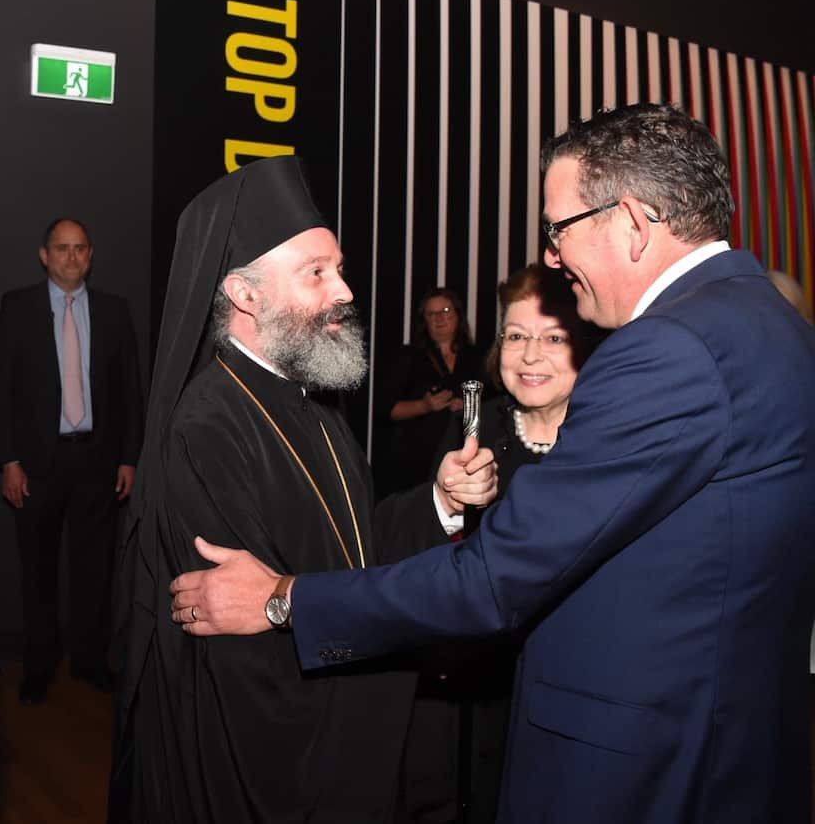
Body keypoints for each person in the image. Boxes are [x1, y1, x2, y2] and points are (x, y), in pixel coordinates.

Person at [171, 104, 815, 823]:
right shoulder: (770, 323)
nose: (550, 255)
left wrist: (280, 598)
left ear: (632, 223)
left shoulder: (670, 350)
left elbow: (493, 580)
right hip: (722, 740)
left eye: (559, 229)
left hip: (649, 768)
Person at [110, 156, 496, 823]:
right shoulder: (204, 430)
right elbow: (243, 660)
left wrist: (439, 501)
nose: (344, 290)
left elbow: (353, 549)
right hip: (271, 772)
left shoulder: (312, 400)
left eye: (338, 268)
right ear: (245, 294)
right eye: (317, 273)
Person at [391, 263, 602, 824]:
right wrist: (446, 501)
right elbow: (409, 561)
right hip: (475, 702)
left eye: (553, 337)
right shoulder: (474, 434)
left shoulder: (608, 445)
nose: (530, 355)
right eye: (515, 335)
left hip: (577, 705)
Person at [0, 217, 143, 704]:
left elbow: (130, 394)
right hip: (36, 465)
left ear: (90, 255)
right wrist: (8, 459)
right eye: (62, 248)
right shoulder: (17, 308)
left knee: (94, 570)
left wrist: (129, 458)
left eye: (80, 249)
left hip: (97, 461)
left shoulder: (115, 312)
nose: (71, 257)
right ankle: (38, 665)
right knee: (38, 571)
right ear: (44, 255)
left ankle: (91, 661)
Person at [378, 287, 488, 493]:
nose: (439, 318)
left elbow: (496, 404)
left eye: (445, 310)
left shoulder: (479, 356)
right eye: (431, 314)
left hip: (466, 461)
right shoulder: (408, 357)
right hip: (415, 465)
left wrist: (469, 407)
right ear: (424, 321)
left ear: (458, 315)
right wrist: (425, 406)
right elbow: (387, 410)